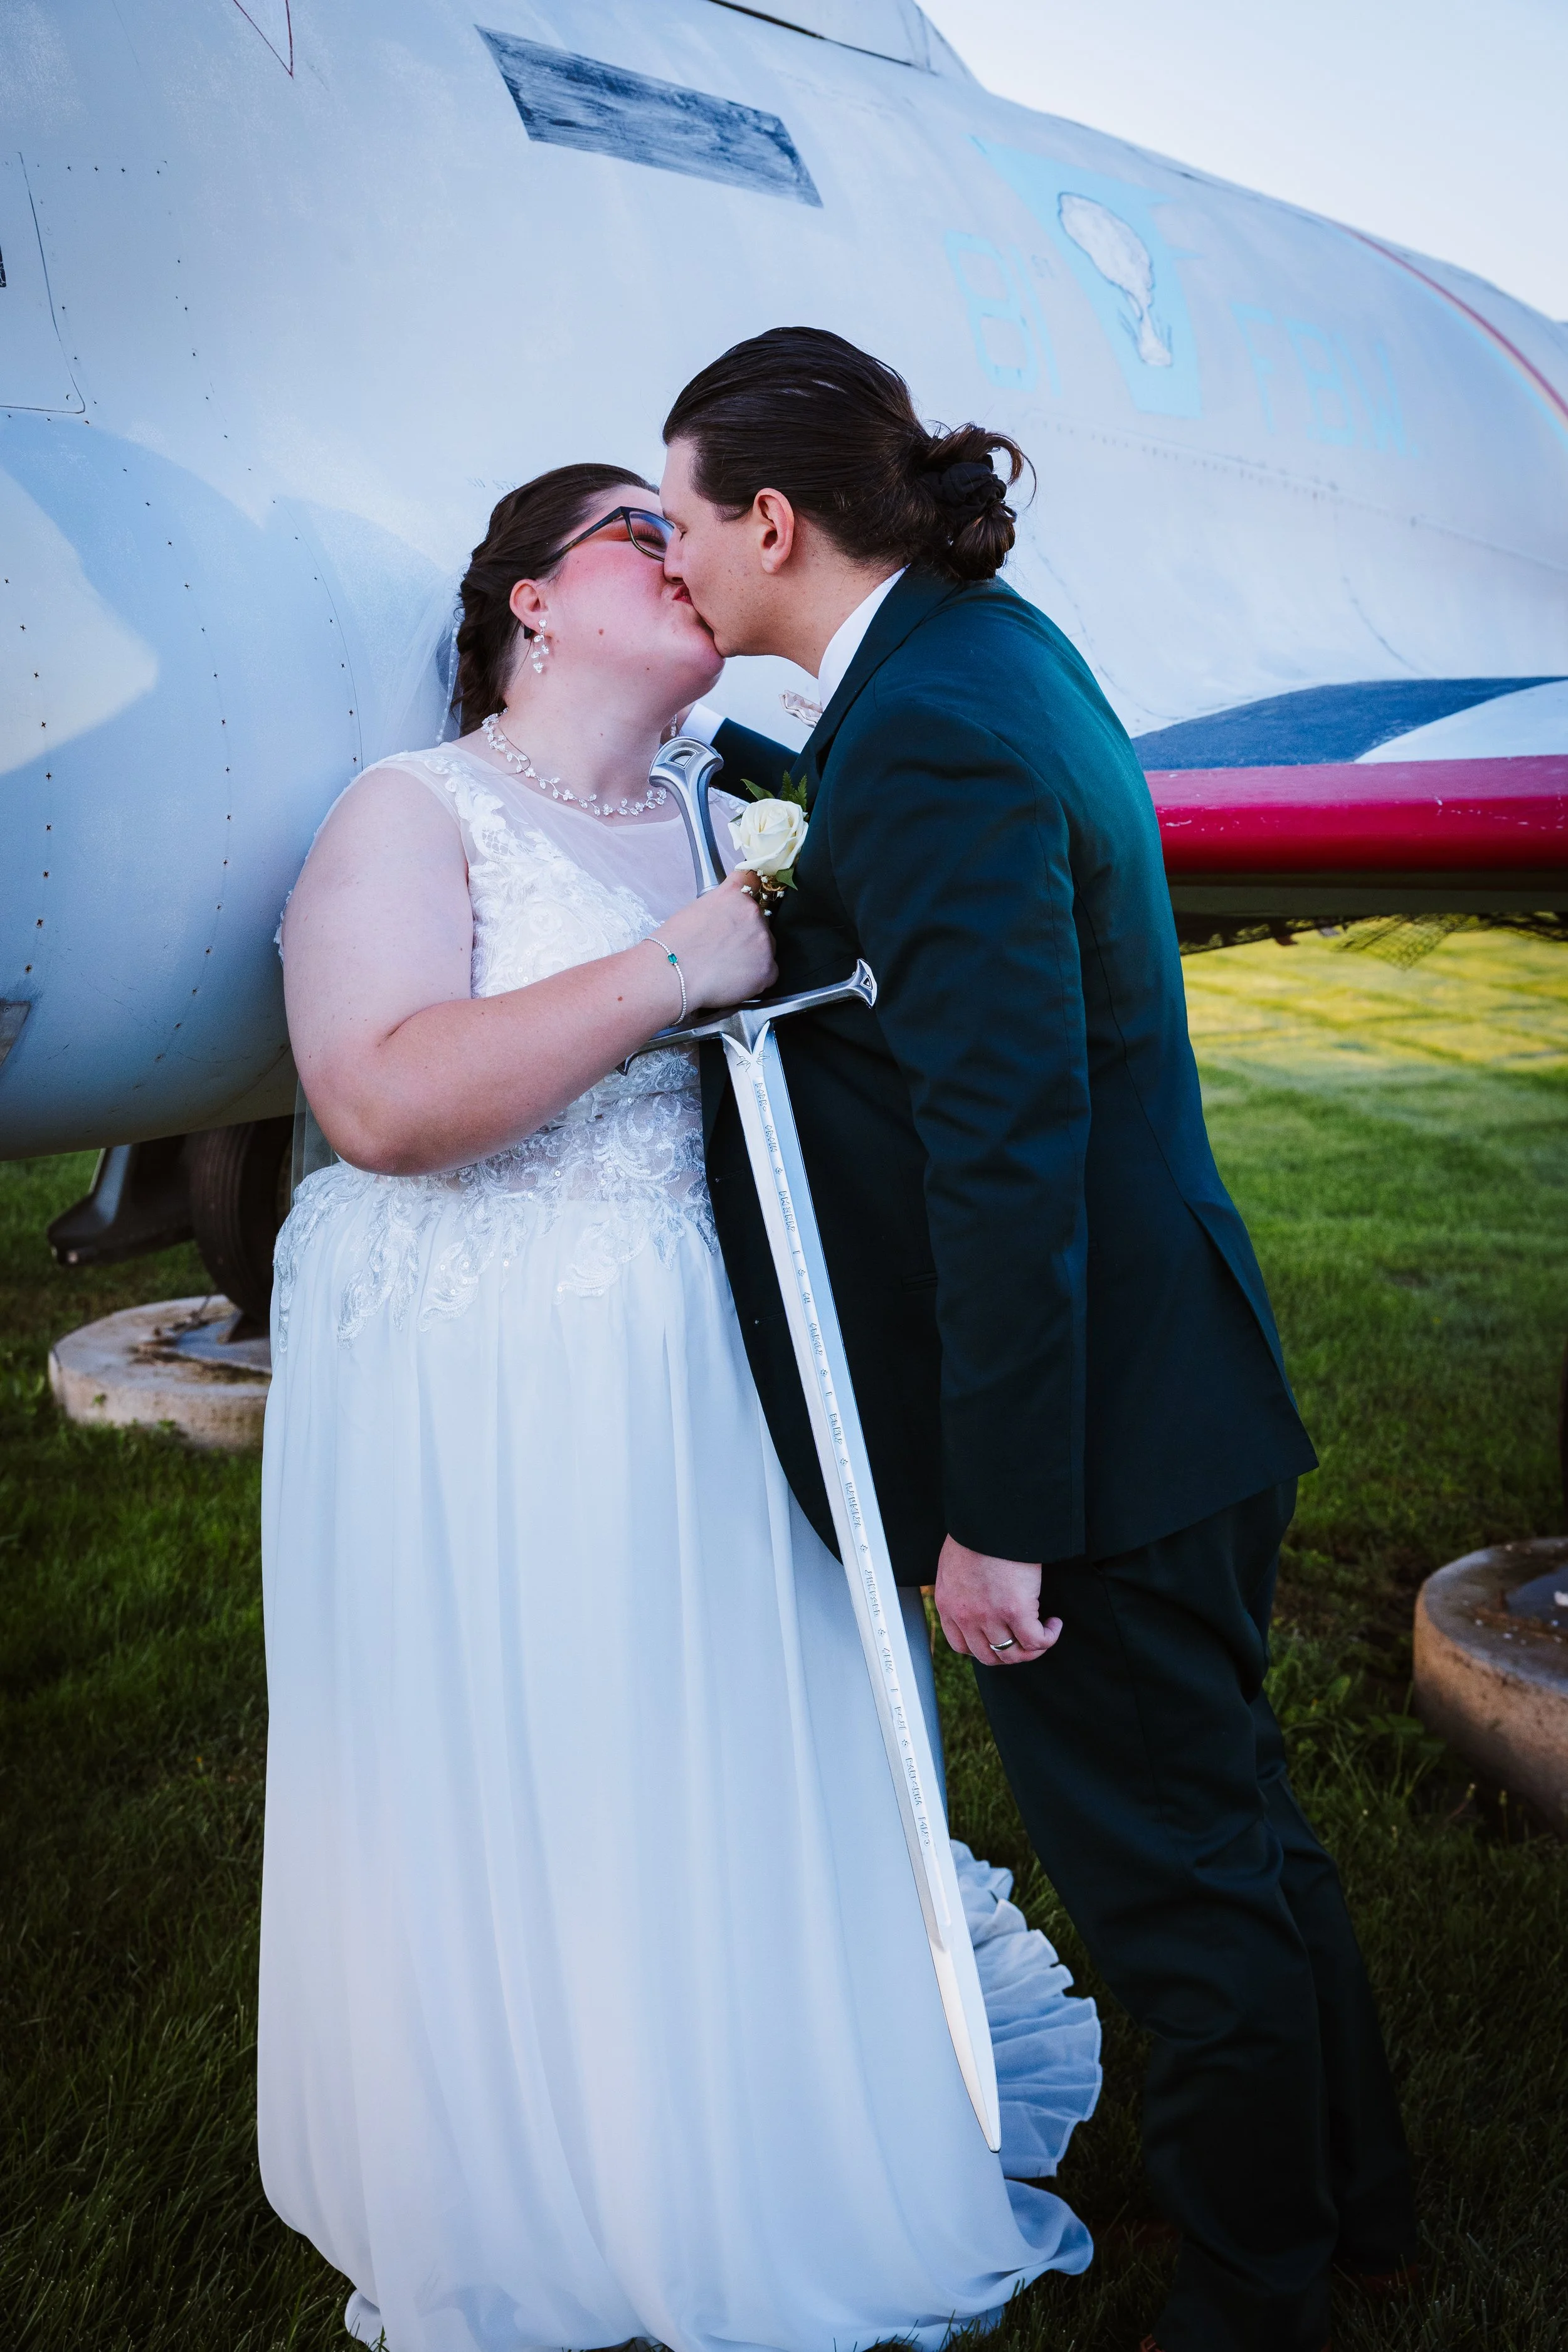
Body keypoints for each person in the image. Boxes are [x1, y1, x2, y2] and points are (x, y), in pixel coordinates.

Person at [259, 462, 1101, 2352]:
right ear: (530, 603)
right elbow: (377, 1098)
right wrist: (673, 967)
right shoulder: (413, 812)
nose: (688, 553)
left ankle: (724, 2138)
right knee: (524, 1755)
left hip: (708, 1376)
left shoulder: (737, 809)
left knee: (696, 1742)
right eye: (639, 531)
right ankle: (537, 2173)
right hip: (482, 1379)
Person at [659, 328, 1419, 2352]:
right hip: (1180, 1368)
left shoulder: (930, 727)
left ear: (769, 517)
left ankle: (1250, 2296)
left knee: (1171, 1885)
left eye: (677, 519)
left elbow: (1010, 1151)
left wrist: (995, 1516)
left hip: (1098, 1432)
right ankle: (1356, 2200)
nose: (666, 560)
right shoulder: (973, 654)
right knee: (1234, 1817)